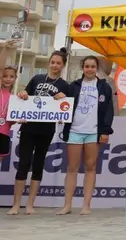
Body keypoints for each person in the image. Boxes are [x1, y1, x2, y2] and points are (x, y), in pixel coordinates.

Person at [8, 48, 70, 215]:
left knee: (38, 165)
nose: (55, 65)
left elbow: (67, 110)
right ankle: (16, 205)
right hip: (28, 127)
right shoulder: (36, 78)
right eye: (53, 62)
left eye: (58, 63)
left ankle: (30, 205)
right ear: (49, 63)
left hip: (46, 130)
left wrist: (63, 98)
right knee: (23, 164)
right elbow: (24, 95)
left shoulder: (64, 86)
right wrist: (22, 94)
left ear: (63, 65)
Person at [57, 55, 114, 215]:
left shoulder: (104, 87)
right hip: (74, 131)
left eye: (92, 67)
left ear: (97, 69)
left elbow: (109, 111)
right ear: (82, 68)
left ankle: (86, 205)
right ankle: (67, 205)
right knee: (72, 168)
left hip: (93, 133)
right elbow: (63, 104)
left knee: (90, 168)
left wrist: (105, 130)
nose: (89, 69)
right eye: (87, 66)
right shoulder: (73, 86)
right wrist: (59, 97)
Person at [0, 40, 19, 163]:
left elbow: (11, 122)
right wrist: (6, 49)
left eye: (11, 76)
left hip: (5, 133)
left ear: (15, 78)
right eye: (5, 76)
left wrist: (18, 119)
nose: (7, 79)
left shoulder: (15, 97)